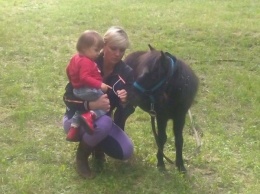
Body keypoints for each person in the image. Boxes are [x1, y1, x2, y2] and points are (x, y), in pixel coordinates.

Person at [63, 26, 135, 179]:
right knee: (104, 123)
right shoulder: (87, 61)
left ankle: (96, 144)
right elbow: (67, 97)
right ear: (104, 44)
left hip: (102, 121)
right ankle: (82, 157)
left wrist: (126, 100)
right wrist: (89, 106)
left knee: (126, 150)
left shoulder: (126, 72)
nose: (117, 54)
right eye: (113, 48)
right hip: (75, 118)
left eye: (122, 50)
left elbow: (129, 107)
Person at [66, 30, 111, 142]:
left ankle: (74, 128)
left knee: (80, 110)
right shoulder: (86, 62)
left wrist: (73, 81)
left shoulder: (75, 58)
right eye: (96, 50)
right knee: (105, 104)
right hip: (86, 90)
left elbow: (67, 69)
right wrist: (100, 85)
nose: (98, 53)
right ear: (84, 48)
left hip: (77, 90)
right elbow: (84, 77)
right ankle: (91, 115)